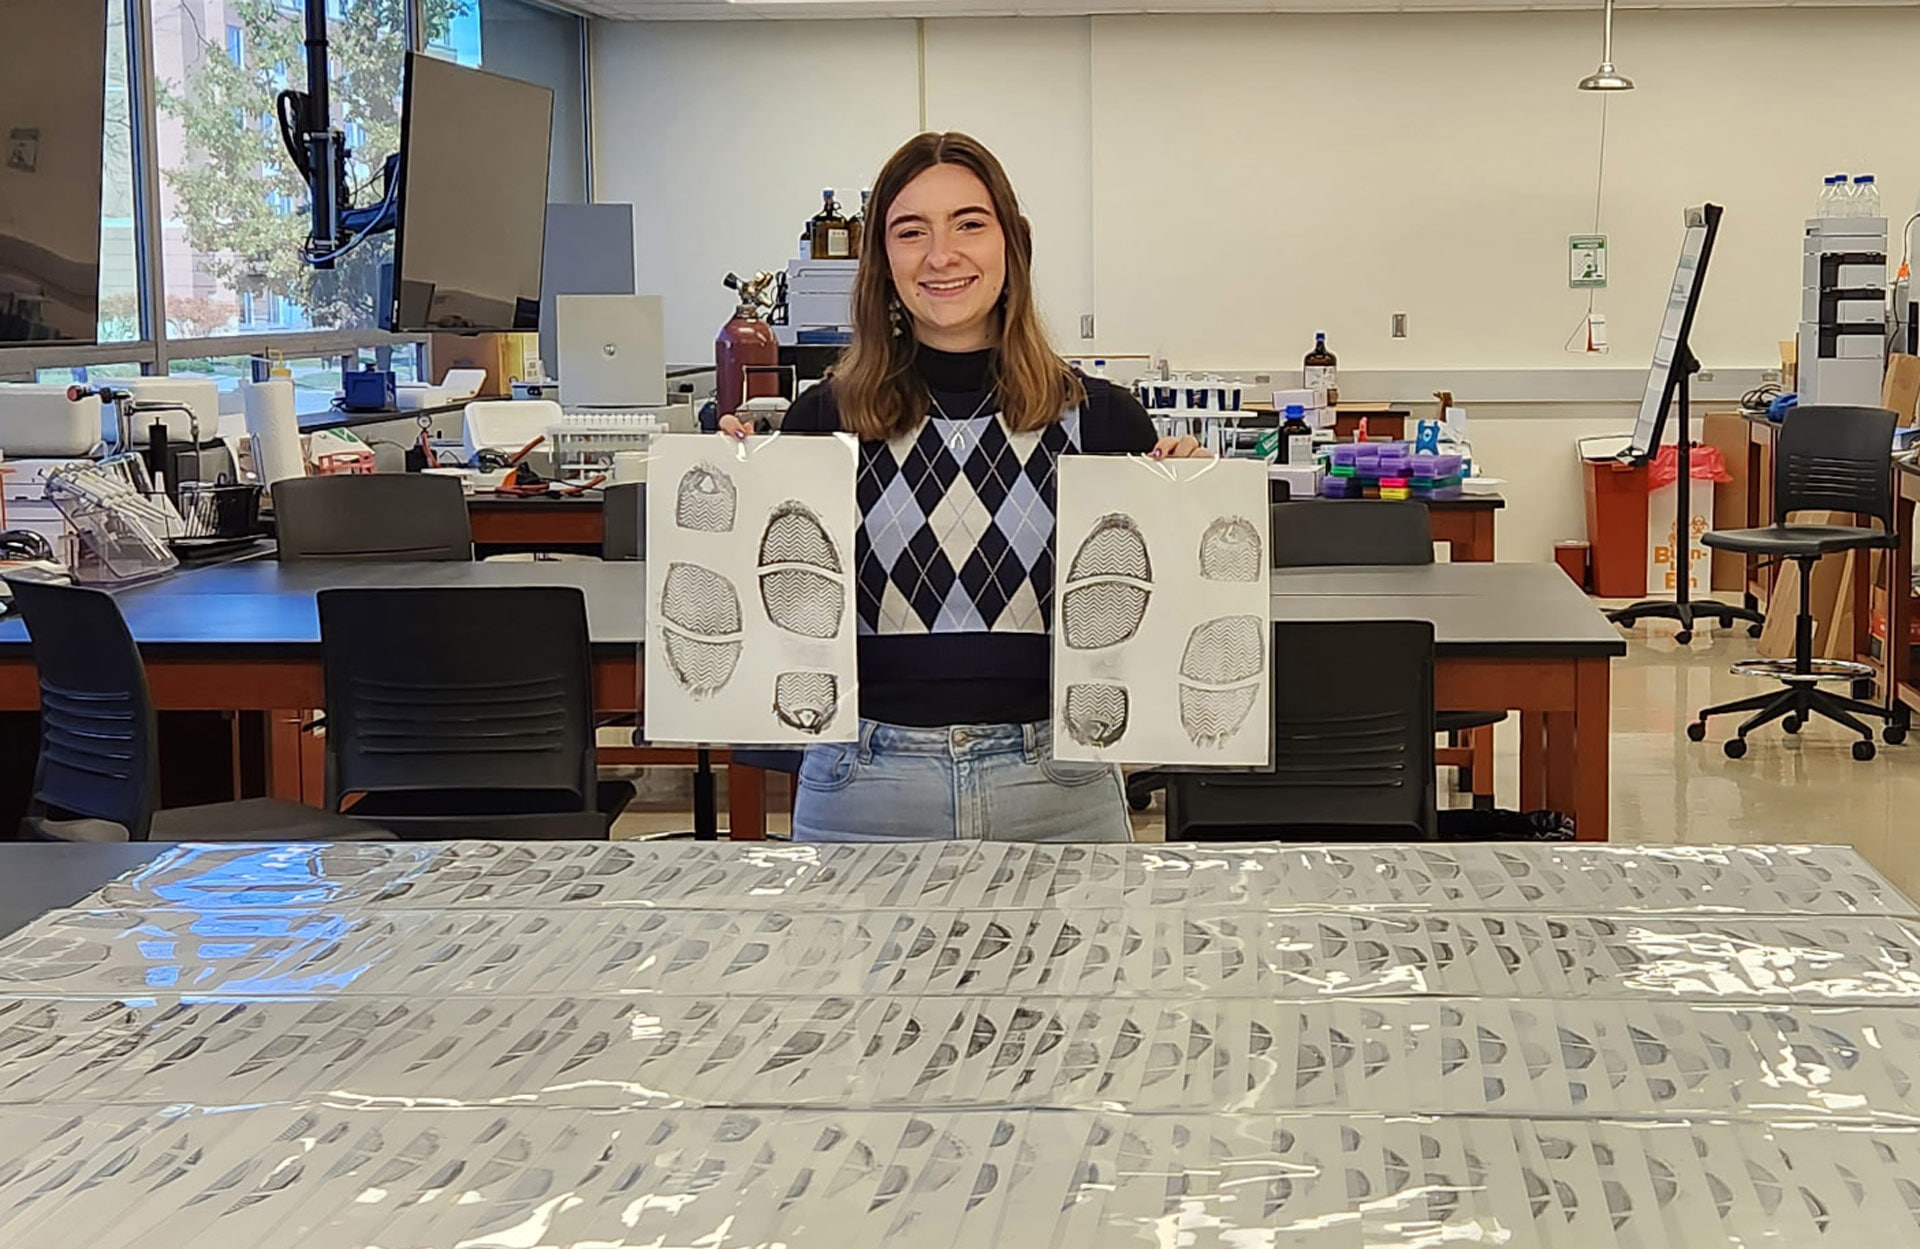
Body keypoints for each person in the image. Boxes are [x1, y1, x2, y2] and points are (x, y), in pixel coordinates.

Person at [721, 131, 1207, 843]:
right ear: (883, 261)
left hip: (1059, 787)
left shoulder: (1104, 421)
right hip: (865, 787)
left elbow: (1155, 622)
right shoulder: (825, 420)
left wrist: (1185, 497)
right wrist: (731, 499)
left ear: (1012, 245)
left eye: (969, 225)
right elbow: (782, 613)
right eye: (911, 231)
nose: (941, 255)